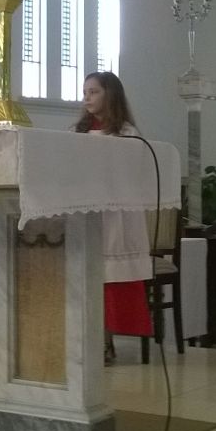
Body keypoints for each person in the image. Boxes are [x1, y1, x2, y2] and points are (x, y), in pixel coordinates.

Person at [73, 71, 153, 364]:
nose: (87, 98)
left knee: (109, 279)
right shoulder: (79, 132)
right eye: (85, 92)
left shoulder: (128, 134)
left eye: (93, 92)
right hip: (86, 210)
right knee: (86, 277)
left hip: (116, 215)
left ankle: (105, 343)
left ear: (111, 95)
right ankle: (88, 341)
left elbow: (133, 175)